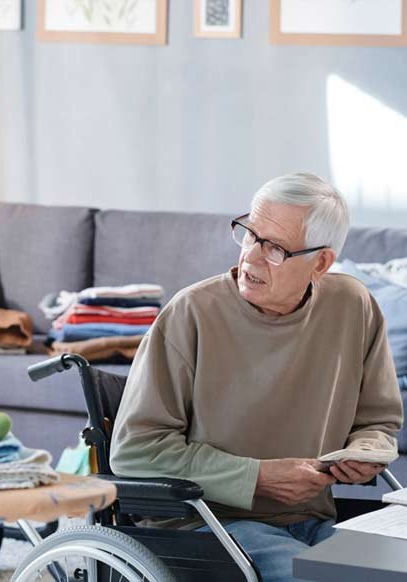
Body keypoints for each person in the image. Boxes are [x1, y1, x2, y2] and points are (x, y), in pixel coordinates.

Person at [109, 173, 403, 582]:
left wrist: (364, 453)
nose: (251, 257)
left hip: (314, 520)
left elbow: (379, 421)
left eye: (275, 248)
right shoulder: (191, 314)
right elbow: (134, 451)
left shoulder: (353, 307)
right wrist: (256, 479)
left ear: (321, 263)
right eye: (250, 234)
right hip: (210, 525)